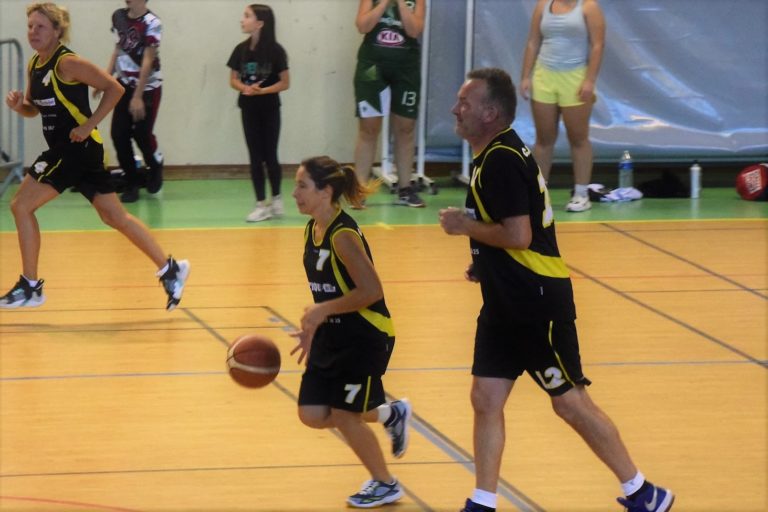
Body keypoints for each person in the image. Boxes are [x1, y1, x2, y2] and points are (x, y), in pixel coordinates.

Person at [440, 68, 674, 512]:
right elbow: (511, 232)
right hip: (505, 302)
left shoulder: (502, 160)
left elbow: (519, 235)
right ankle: (483, 501)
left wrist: (464, 227)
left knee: (570, 403)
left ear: (489, 113)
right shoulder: (492, 155)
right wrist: (484, 262)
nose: (456, 109)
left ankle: (644, 491)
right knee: (485, 398)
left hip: (536, 304)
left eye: (464, 103)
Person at [1, 3, 189, 311]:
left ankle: (30, 286)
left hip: (75, 148)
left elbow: (114, 89)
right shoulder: (35, 63)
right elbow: (34, 109)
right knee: (114, 216)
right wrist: (18, 105)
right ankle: (171, 268)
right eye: (30, 26)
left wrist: (89, 125)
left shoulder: (68, 62)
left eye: (41, 27)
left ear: (57, 31)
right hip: (75, 150)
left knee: (21, 205)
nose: (33, 32)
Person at [290, 155, 412, 508]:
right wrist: (314, 325)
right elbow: (327, 293)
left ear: (326, 191)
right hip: (333, 334)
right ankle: (391, 413)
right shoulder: (312, 229)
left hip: (365, 335)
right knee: (312, 414)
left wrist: (322, 311)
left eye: (302, 186)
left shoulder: (342, 235)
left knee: (345, 415)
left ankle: (385, 483)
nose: (295, 193)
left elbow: (372, 291)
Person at [519, 0, 605, 212]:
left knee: (578, 138)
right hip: (544, 77)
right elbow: (533, 42)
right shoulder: (543, 5)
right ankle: (539, 193)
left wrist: (589, 80)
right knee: (543, 139)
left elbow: (597, 45)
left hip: (575, 78)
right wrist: (526, 76)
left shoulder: (589, 7)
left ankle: (581, 194)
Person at [353, 0, 426, 208]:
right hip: (372, 67)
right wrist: (384, 3)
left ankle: (405, 189)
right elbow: (362, 26)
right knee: (369, 128)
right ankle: (358, 190)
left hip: (406, 68)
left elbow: (414, 30)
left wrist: (401, 3)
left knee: (405, 128)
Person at [227, 4, 290, 222]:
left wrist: (263, 90)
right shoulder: (240, 50)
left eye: (247, 16)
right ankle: (260, 204)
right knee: (255, 156)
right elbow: (233, 79)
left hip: (270, 108)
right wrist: (244, 88)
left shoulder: (276, 51)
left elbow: (285, 82)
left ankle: (277, 197)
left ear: (260, 23)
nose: (242, 20)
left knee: (270, 154)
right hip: (248, 109)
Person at [102, 0, 165, 203]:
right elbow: (117, 50)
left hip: (148, 87)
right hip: (124, 84)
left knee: (141, 134)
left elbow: (148, 60)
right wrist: (105, 80)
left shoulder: (152, 23)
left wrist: (138, 96)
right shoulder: (118, 17)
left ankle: (155, 163)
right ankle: (131, 182)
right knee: (119, 134)